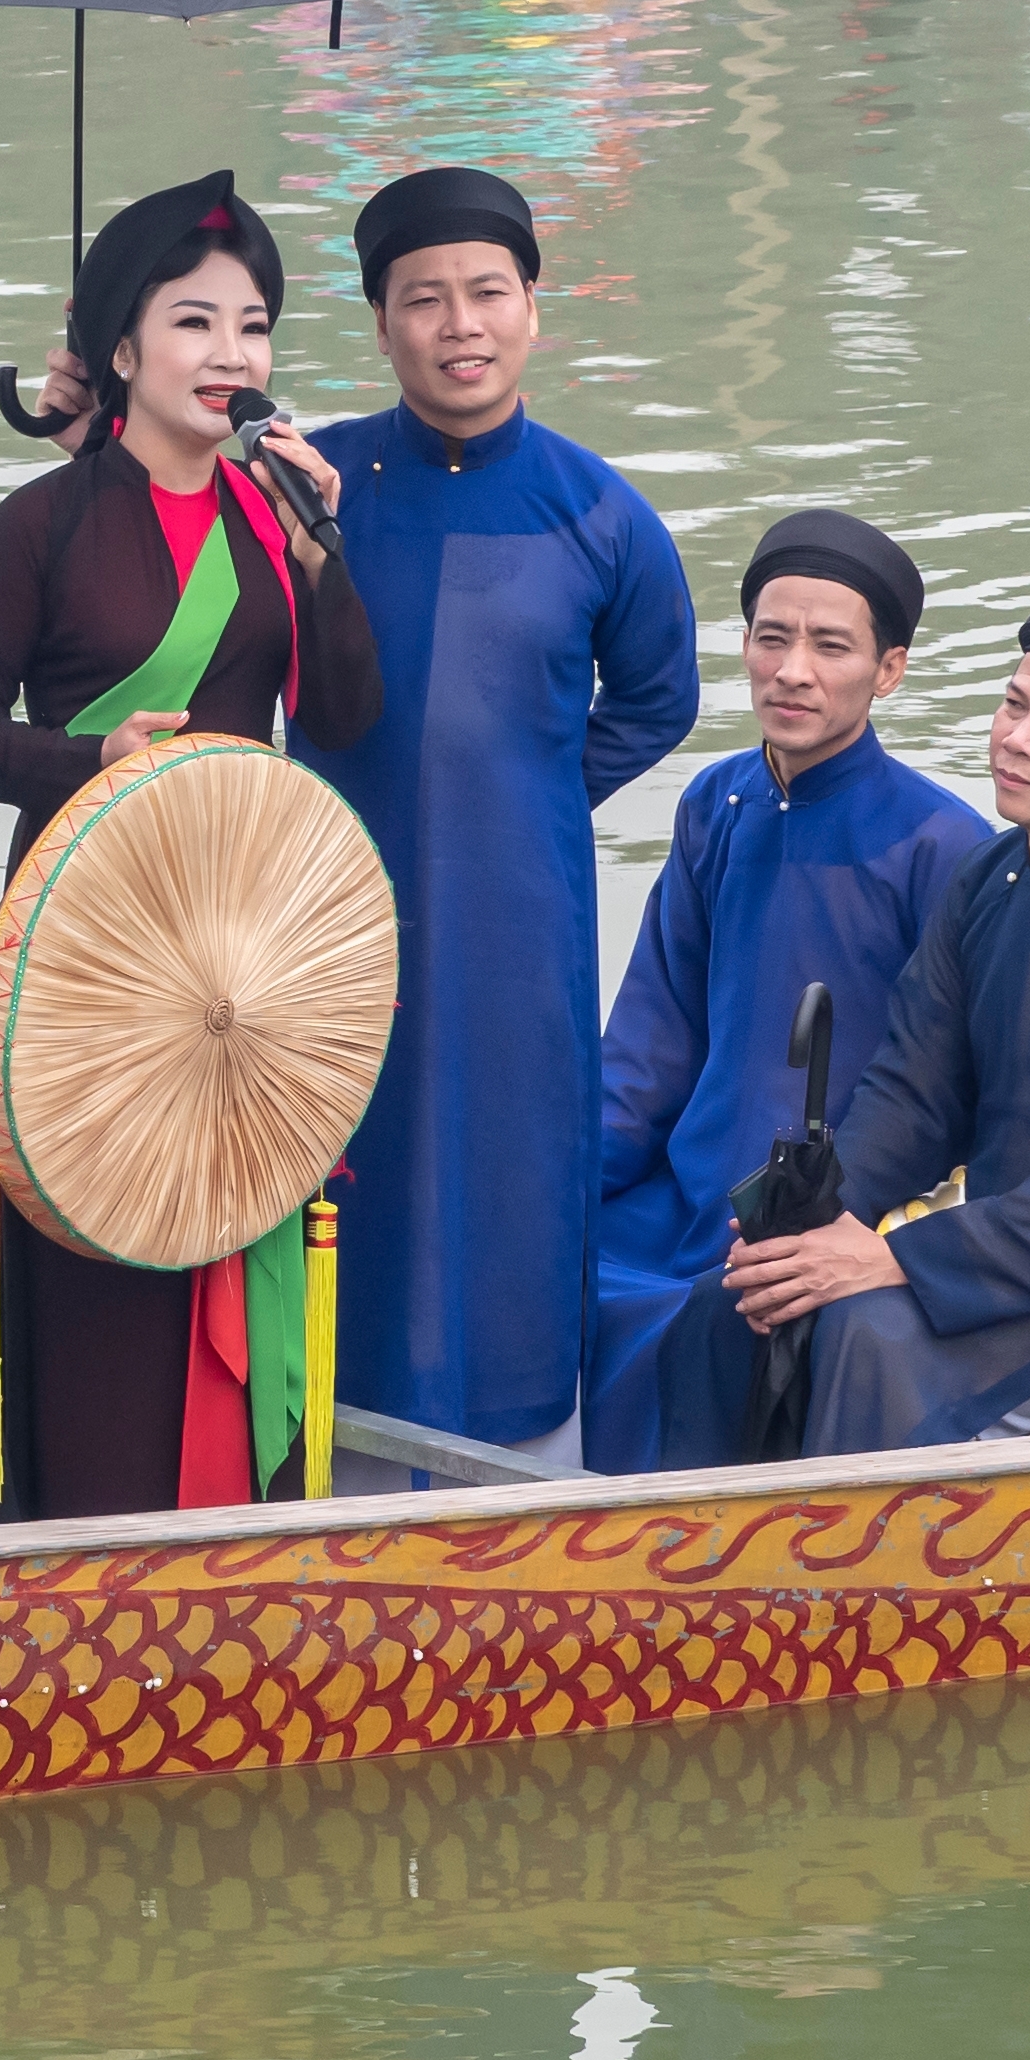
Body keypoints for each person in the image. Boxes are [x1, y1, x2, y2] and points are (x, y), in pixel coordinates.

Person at [0, 171, 382, 1516]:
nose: (233, 356)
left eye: (253, 325)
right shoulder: (42, 525)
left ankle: (242, 1525)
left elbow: (351, 711)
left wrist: (323, 549)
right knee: (106, 1224)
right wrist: (90, 758)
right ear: (121, 348)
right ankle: (85, 1536)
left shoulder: (277, 514)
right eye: (194, 323)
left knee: (240, 1197)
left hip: (243, 933)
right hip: (89, 933)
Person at [654, 585, 1030, 1462]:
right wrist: (822, 1217)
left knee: (873, 1340)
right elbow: (916, 1092)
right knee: (742, 1299)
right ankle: (697, 1559)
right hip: (1014, 1230)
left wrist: (894, 1260)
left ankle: (853, 1586)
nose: (1015, 737)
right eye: (1014, 703)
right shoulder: (986, 883)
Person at [301, 167, 701, 1467]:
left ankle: (521, 1423)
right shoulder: (317, 487)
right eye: (425, 299)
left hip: (522, 909)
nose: (459, 324)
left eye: (487, 292)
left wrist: (526, 798)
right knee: (341, 1135)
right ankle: (329, 1408)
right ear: (381, 324)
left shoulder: (602, 514)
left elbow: (659, 696)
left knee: (515, 1142)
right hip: (328, 900)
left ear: (536, 307)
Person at [580, 512, 993, 1473]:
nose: (792, 670)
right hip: (685, 1187)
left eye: (830, 645)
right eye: (772, 637)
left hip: (819, 1204)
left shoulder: (944, 848)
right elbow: (651, 1040)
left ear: (888, 670)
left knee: (703, 1318)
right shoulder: (713, 805)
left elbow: (952, 1091)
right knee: (538, 1269)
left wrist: (842, 1216)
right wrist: (565, 1177)